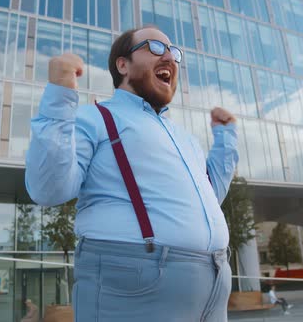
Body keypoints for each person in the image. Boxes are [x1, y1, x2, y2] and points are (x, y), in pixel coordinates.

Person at [25, 26, 238, 321]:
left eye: (173, 53)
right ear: (122, 64)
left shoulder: (184, 137)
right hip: (139, 281)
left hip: (214, 281)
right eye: (155, 47)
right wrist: (60, 95)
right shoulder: (95, 117)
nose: (169, 58)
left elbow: (209, 197)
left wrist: (225, 139)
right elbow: (48, 189)